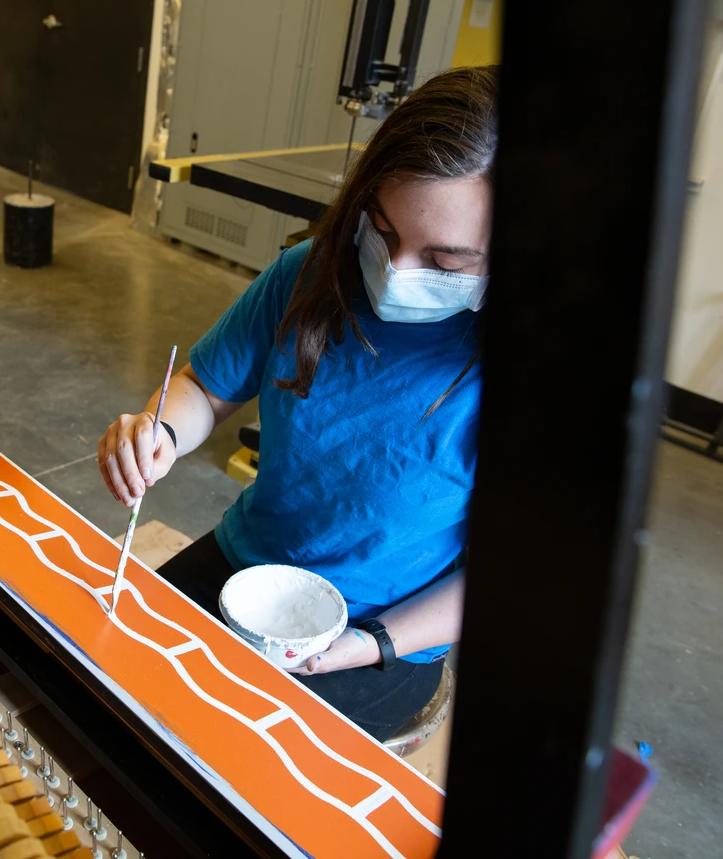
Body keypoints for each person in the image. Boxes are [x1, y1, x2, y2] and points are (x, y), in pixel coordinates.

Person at [97, 65, 497, 742]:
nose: (395, 273)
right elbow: (204, 387)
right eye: (382, 227)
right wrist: (160, 430)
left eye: (446, 260)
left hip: (384, 628)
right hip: (246, 568)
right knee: (97, 678)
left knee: (222, 770)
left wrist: (370, 645)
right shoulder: (309, 274)